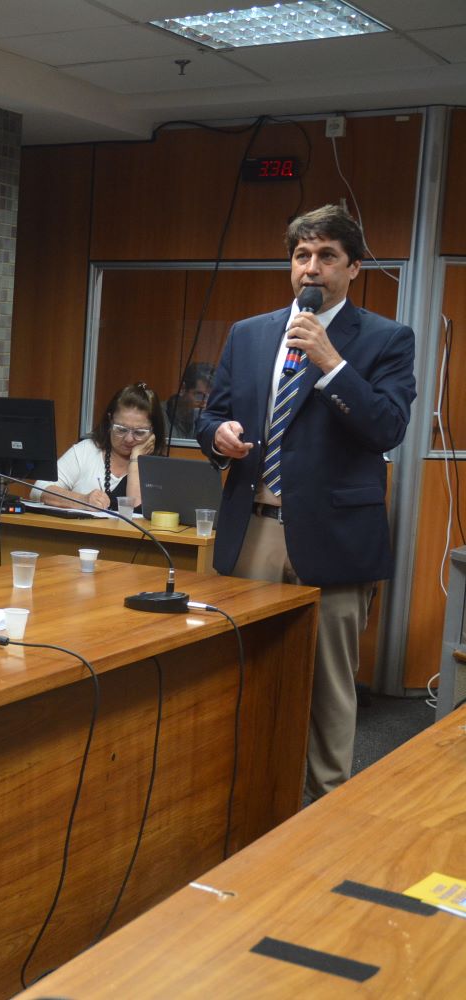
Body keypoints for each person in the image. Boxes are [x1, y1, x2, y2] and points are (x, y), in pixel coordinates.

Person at [195, 204, 415, 799]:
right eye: (301, 255)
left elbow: (387, 426)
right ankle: (243, 803)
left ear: (353, 267)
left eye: (326, 256)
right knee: (245, 676)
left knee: (328, 690)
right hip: (254, 530)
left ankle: (327, 812)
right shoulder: (249, 333)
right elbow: (211, 414)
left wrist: (332, 363)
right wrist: (217, 436)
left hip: (335, 539)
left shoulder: (387, 339)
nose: (311, 268)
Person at [31, 383, 167, 511]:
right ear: (110, 421)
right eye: (121, 429)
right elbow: (39, 489)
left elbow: (137, 510)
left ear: (153, 431)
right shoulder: (87, 451)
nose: (129, 439)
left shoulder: (159, 467)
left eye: (139, 432)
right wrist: (82, 500)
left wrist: (135, 460)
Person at [165, 361, 215, 439]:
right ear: (183, 389)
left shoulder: (208, 421)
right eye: (199, 396)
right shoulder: (160, 416)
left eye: (210, 398)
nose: (205, 404)